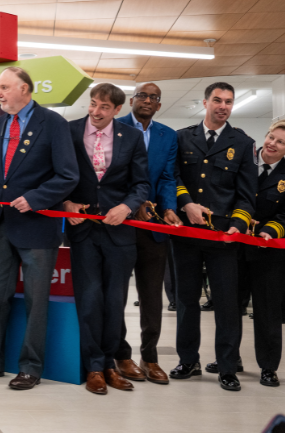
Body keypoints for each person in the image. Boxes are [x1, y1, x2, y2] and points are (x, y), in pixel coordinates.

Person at [0, 67, 79, 391]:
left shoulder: (54, 124)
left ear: (25, 89)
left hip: (37, 227)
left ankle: (30, 368)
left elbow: (68, 175)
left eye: (3, 87)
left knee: (35, 301)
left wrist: (34, 198)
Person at [203, 120, 285, 387]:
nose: (271, 143)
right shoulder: (241, 160)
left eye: (280, 142)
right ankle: (229, 358)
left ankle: (269, 367)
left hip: (267, 252)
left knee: (268, 310)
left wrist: (269, 231)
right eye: (271, 137)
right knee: (229, 307)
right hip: (233, 247)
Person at [63, 84, 150, 395]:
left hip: (119, 231)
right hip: (83, 229)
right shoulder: (70, 131)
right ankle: (94, 367)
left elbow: (141, 183)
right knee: (89, 300)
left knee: (115, 302)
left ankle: (111, 363)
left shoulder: (132, 137)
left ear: (117, 110)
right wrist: (66, 204)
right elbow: (57, 175)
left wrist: (127, 207)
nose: (95, 112)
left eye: (104, 107)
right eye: (93, 104)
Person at [170, 82, 256, 392]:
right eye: (217, 100)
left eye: (229, 102)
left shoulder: (243, 143)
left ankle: (228, 367)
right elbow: (174, 177)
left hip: (224, 236)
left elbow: (247, 194)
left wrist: (239, 224)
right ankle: (188, 360)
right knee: (186, 300)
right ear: (205, 102)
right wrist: (186, 204)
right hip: (187, 233)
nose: (223, 106)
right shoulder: (183, 138)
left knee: (227, 303)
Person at [113, 82, 181, 385]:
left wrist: (168, 208)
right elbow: (111, 176)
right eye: (142, 95)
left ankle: (150, 357)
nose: (147, 100)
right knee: (117, 295)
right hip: (121, 224)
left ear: (159, 105)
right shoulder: (114, 128)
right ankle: (121, 355)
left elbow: (167, 176)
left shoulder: (167, 136)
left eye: (154, 97)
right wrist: (133, 204)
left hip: (154, 228)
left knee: (152, 296)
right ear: (131, 100)